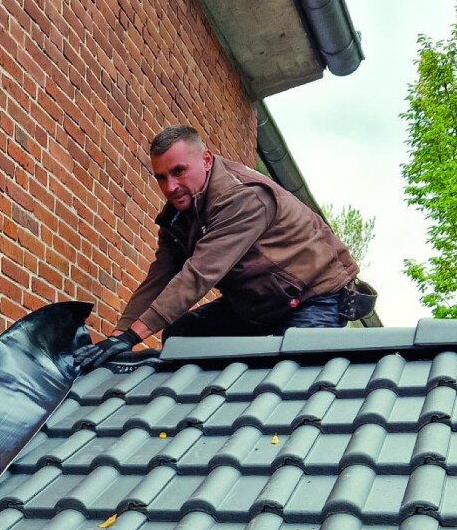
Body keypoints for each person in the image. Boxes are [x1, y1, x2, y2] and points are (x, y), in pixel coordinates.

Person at [75, 125, 370, 371]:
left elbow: (199, 274)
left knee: (292, 372)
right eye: (161, 177)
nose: (171, 186)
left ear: (205, 160)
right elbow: (160, 278)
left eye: (179, 171)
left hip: (312, 300)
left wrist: (132, 337)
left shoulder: (243, 199)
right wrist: (116, 339)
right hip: (256, 304)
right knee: (182, 336)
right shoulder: (178, 216)